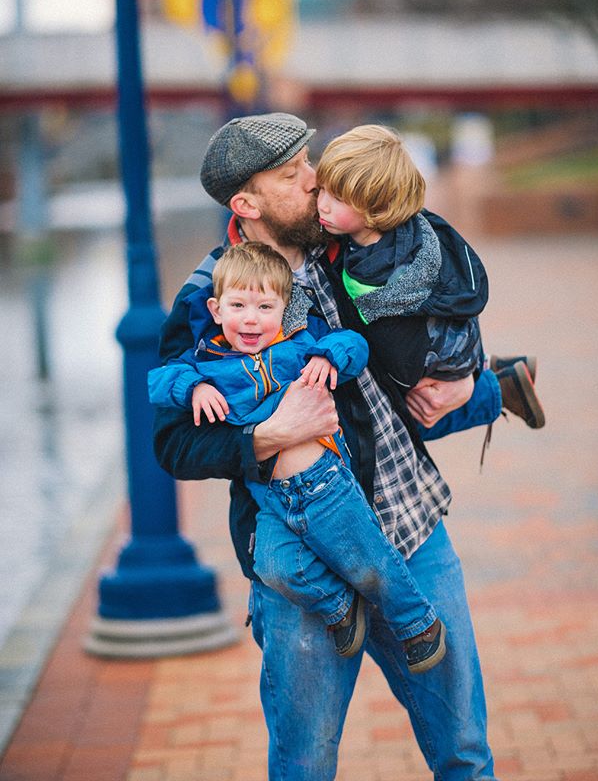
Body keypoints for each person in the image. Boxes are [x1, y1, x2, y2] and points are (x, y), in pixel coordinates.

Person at [153, 111, 499, 780]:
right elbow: (171, 445)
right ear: (246, 204)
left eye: (310, 162)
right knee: (304, 767)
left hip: (409, 532)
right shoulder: (212, 297)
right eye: (293, 175)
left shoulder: (352, 242)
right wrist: (264, 438)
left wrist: (473, 388)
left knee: (464, 754)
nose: (316, 182)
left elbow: (437, 336)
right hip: (302, 565)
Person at [148, 240, 447, 672]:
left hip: (323, 478)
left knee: (366, 557)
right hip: (267, 492)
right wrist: (193, 387)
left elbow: (353, 344)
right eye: (238, 306)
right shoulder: (207, 359)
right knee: (275, 566)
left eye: (265, 308)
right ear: (215, 310)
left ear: (285, 308)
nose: (251, 319)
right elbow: (160, 382)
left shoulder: (299, 342)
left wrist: (329, 356)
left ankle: (417, 622)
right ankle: (339, 607)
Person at [316, 123, 545, 431]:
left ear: (377, 206)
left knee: (402, 412)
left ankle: (494, 387)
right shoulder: (404, 234)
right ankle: (494, 370)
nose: (322, 204)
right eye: (321, 190)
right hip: (457, 345)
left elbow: (400, 364)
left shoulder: (384, 273)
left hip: (440, 362)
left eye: (337, 198)